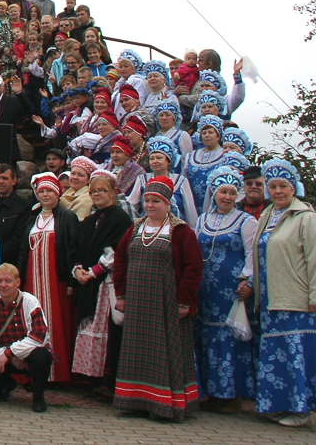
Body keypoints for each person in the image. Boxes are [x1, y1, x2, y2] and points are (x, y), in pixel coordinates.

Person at [250, 160, 316, 426]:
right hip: (272, 297)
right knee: (279, 353)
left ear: (293, 188)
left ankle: (301, 411)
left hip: (298, 299)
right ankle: (281, 405)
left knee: (297, 353)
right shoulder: (267, 216)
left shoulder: (307, 218)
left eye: (283, 186)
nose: (277, 191)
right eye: (273, 186)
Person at [111, 176, 204, 421]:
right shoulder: (136, 227)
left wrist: (184, 301)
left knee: (165, 350)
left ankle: (165, 404)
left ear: (167, 204)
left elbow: (193, 267)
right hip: (138, 301)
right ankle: (135, 400)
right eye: (147, 201)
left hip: (166, 302)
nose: (150, 205)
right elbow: (120, 259)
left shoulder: (181, 230)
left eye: (156, 201)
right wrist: (121, 294)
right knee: (138, 349)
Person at [193, 167, 257, 413]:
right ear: (214, 193)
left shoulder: (246, 221)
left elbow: (252, 254)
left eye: (232, 193)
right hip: (206, 287)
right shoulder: (202, 220)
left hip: (231, 288)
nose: (227, 197)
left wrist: (248, 281)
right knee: (206, 334)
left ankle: (231, 395)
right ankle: (210, 391)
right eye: (222, 192)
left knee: (228, 336)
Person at [70, 169, 131, 388]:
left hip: (107, 282)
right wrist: (77, 270)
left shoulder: (120, 219)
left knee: (106, 331)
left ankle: (106, 381)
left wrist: (94, 272)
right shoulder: (89, 220)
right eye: (93, 191)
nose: (97, 195)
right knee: (87, 328)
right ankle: (88, 379)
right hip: (88, 284)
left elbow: (116, 251)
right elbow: (76, 249)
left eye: (101, 191)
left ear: (112, 193)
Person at [17, 172, 78, 383]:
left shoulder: (67, 217)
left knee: (56, 321)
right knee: (32, 320)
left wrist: (71, 280)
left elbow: (72, 250)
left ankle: (57, 373)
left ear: (58, 193)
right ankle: (34, 372)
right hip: (32, 279)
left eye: (49, 191)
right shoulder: (32, 219)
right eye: (41, 191)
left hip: (56, 280)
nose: (45, 195)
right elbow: (23, 251)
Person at [0, 264, 53, 412]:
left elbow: (38, 336)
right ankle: (4, 386)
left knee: (43, 356)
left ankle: (38, 398)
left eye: (8, 281)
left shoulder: (30, 302)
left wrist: (12, 353)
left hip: (27, 356)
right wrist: (8, 356)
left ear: (18, 282)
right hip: (4, 358)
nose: (3, 285)